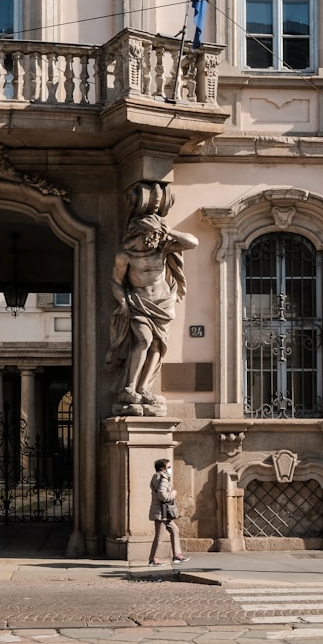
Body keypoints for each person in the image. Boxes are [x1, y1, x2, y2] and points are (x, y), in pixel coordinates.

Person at [106, 183, 198, 415]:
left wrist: (168, 232)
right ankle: (129, 387)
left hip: (163, 304)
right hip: (139, 301)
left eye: (158, 236)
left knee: (159, 346)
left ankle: (144, 388)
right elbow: (116, 282)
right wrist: (124, 303)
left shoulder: (162, 247)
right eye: (152, 235)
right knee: (145, 340)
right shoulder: (125, 254)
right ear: (140, 232)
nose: (155, 240)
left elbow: (192, 243)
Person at [148, 458, 189, 566]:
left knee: (175, 530)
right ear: (163, 468)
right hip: (162, 513)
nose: (170, 469)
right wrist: (173, 494)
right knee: (159, 536)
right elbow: (162, 495)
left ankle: (177, 555)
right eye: (169, 467)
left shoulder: (157, 477)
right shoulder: (163, 479)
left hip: (164, 512)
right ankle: (153, 559)